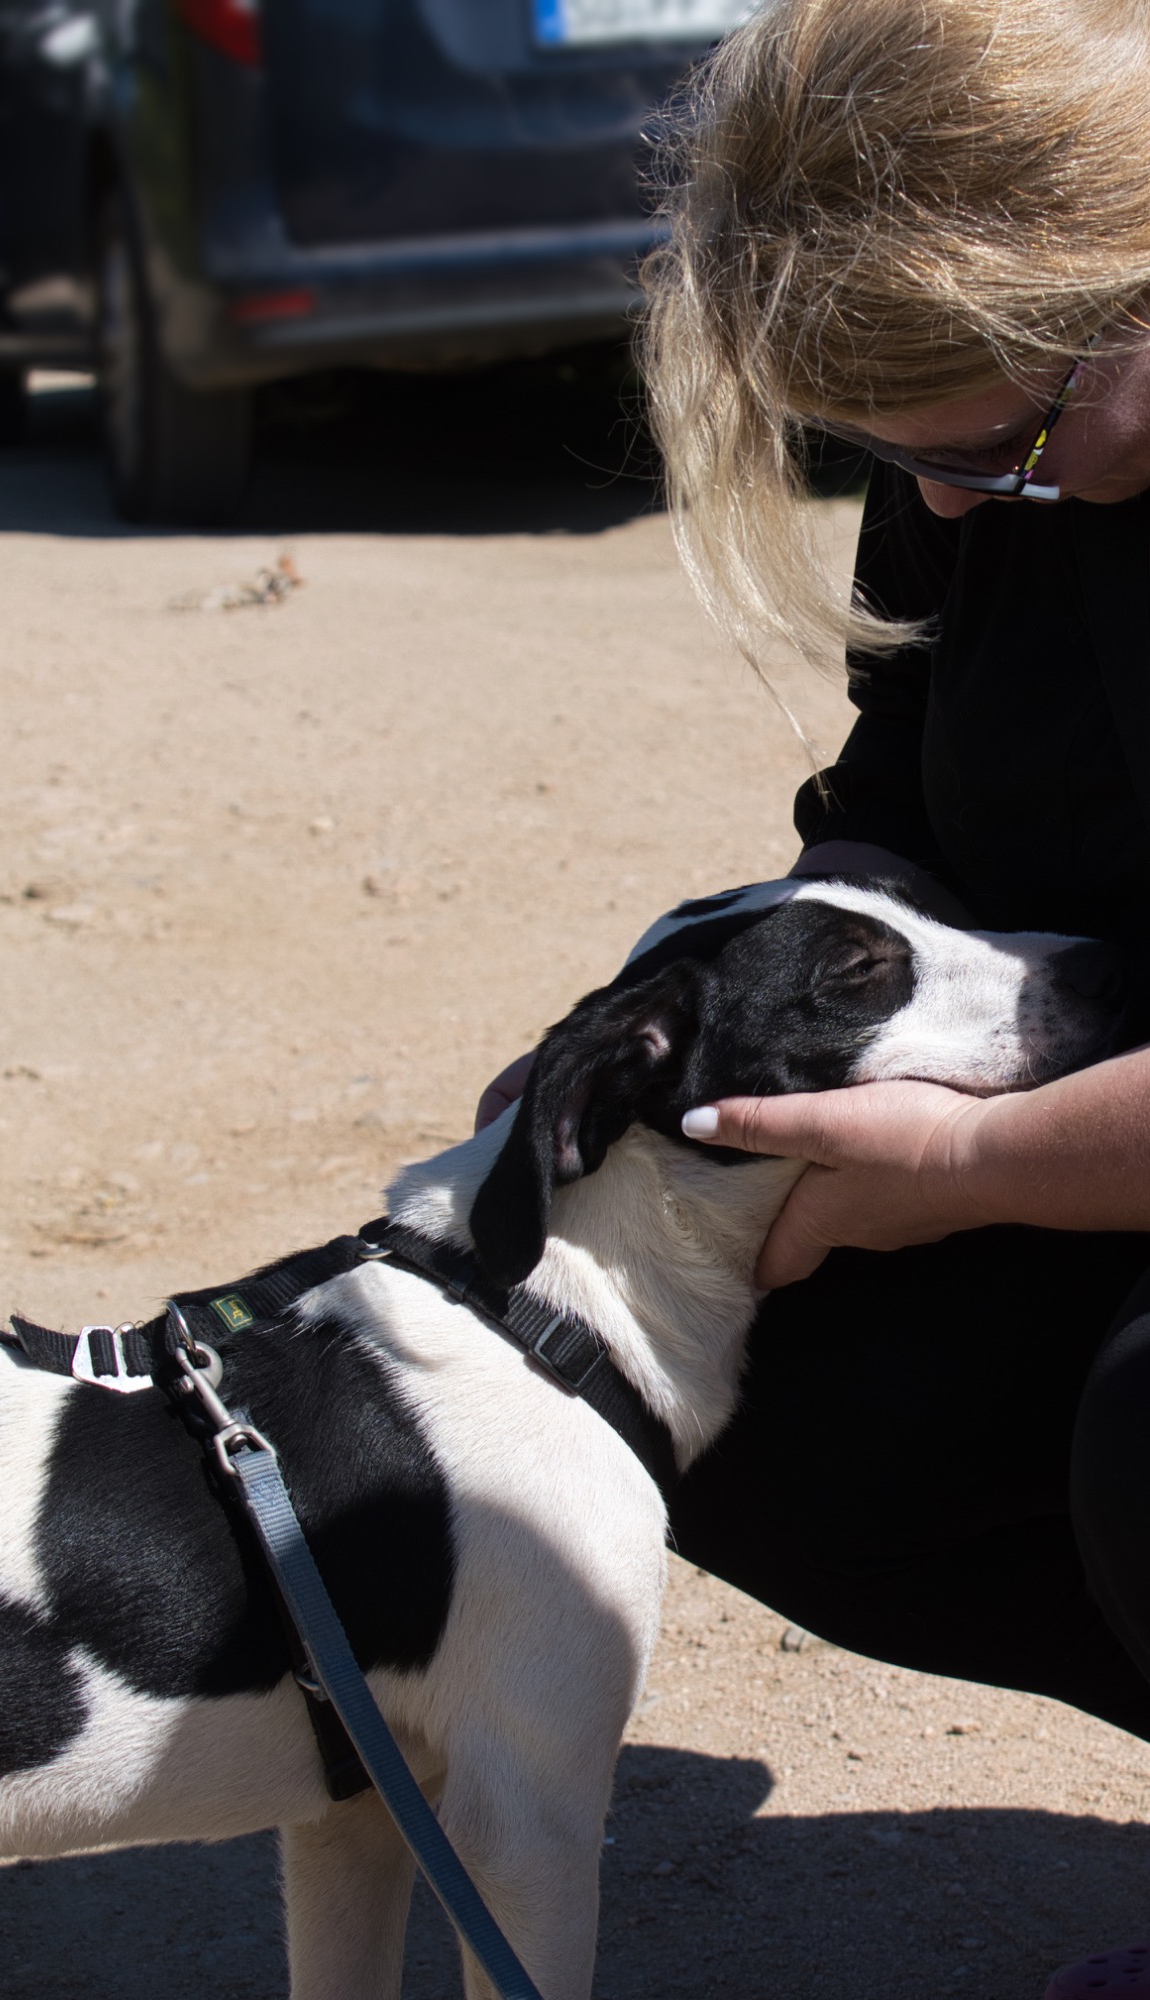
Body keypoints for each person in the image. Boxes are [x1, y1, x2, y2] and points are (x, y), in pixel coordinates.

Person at [476, 3, 1150, 1993]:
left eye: (986, 447)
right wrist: (663, 1053)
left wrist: (956, 1168)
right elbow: (889, 812)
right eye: (884, 458)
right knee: (662, 1338)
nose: (936, 510)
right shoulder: (994, 471)